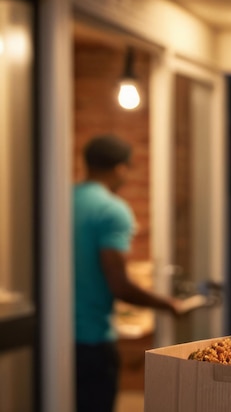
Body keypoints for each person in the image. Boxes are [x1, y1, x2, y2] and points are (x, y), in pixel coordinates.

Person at [73, 134, 185, 412]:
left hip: (51, 336)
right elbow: (119, 286)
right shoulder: (112, 210)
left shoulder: (58, 201)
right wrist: (167, 303)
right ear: (120, 168)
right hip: (90, 340)